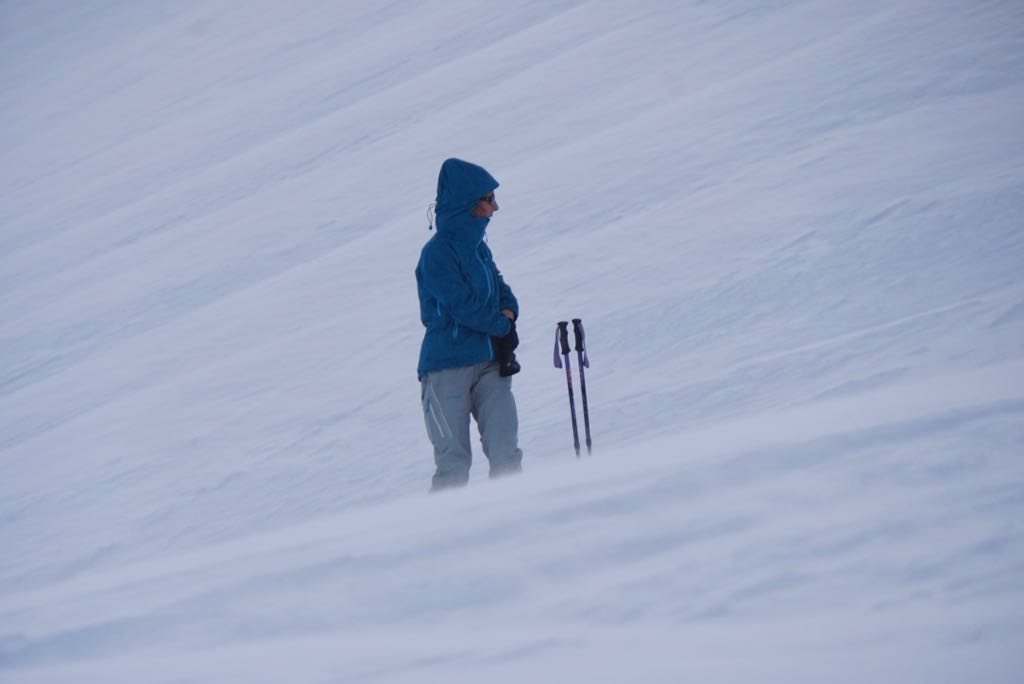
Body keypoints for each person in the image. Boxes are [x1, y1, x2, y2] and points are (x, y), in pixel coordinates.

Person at [415, 158, 523, 491]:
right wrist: (502, 327)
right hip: (446, 370)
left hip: (489, 364)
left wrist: (509, 311)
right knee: (453, 466)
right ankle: (444, 539)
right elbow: (461, 306)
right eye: (489, 199)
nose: (495, 207)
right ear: (468, 201)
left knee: (507, 455)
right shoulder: (436, 254)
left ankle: (519, 528)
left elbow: (501, 290)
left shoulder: (479, 249)